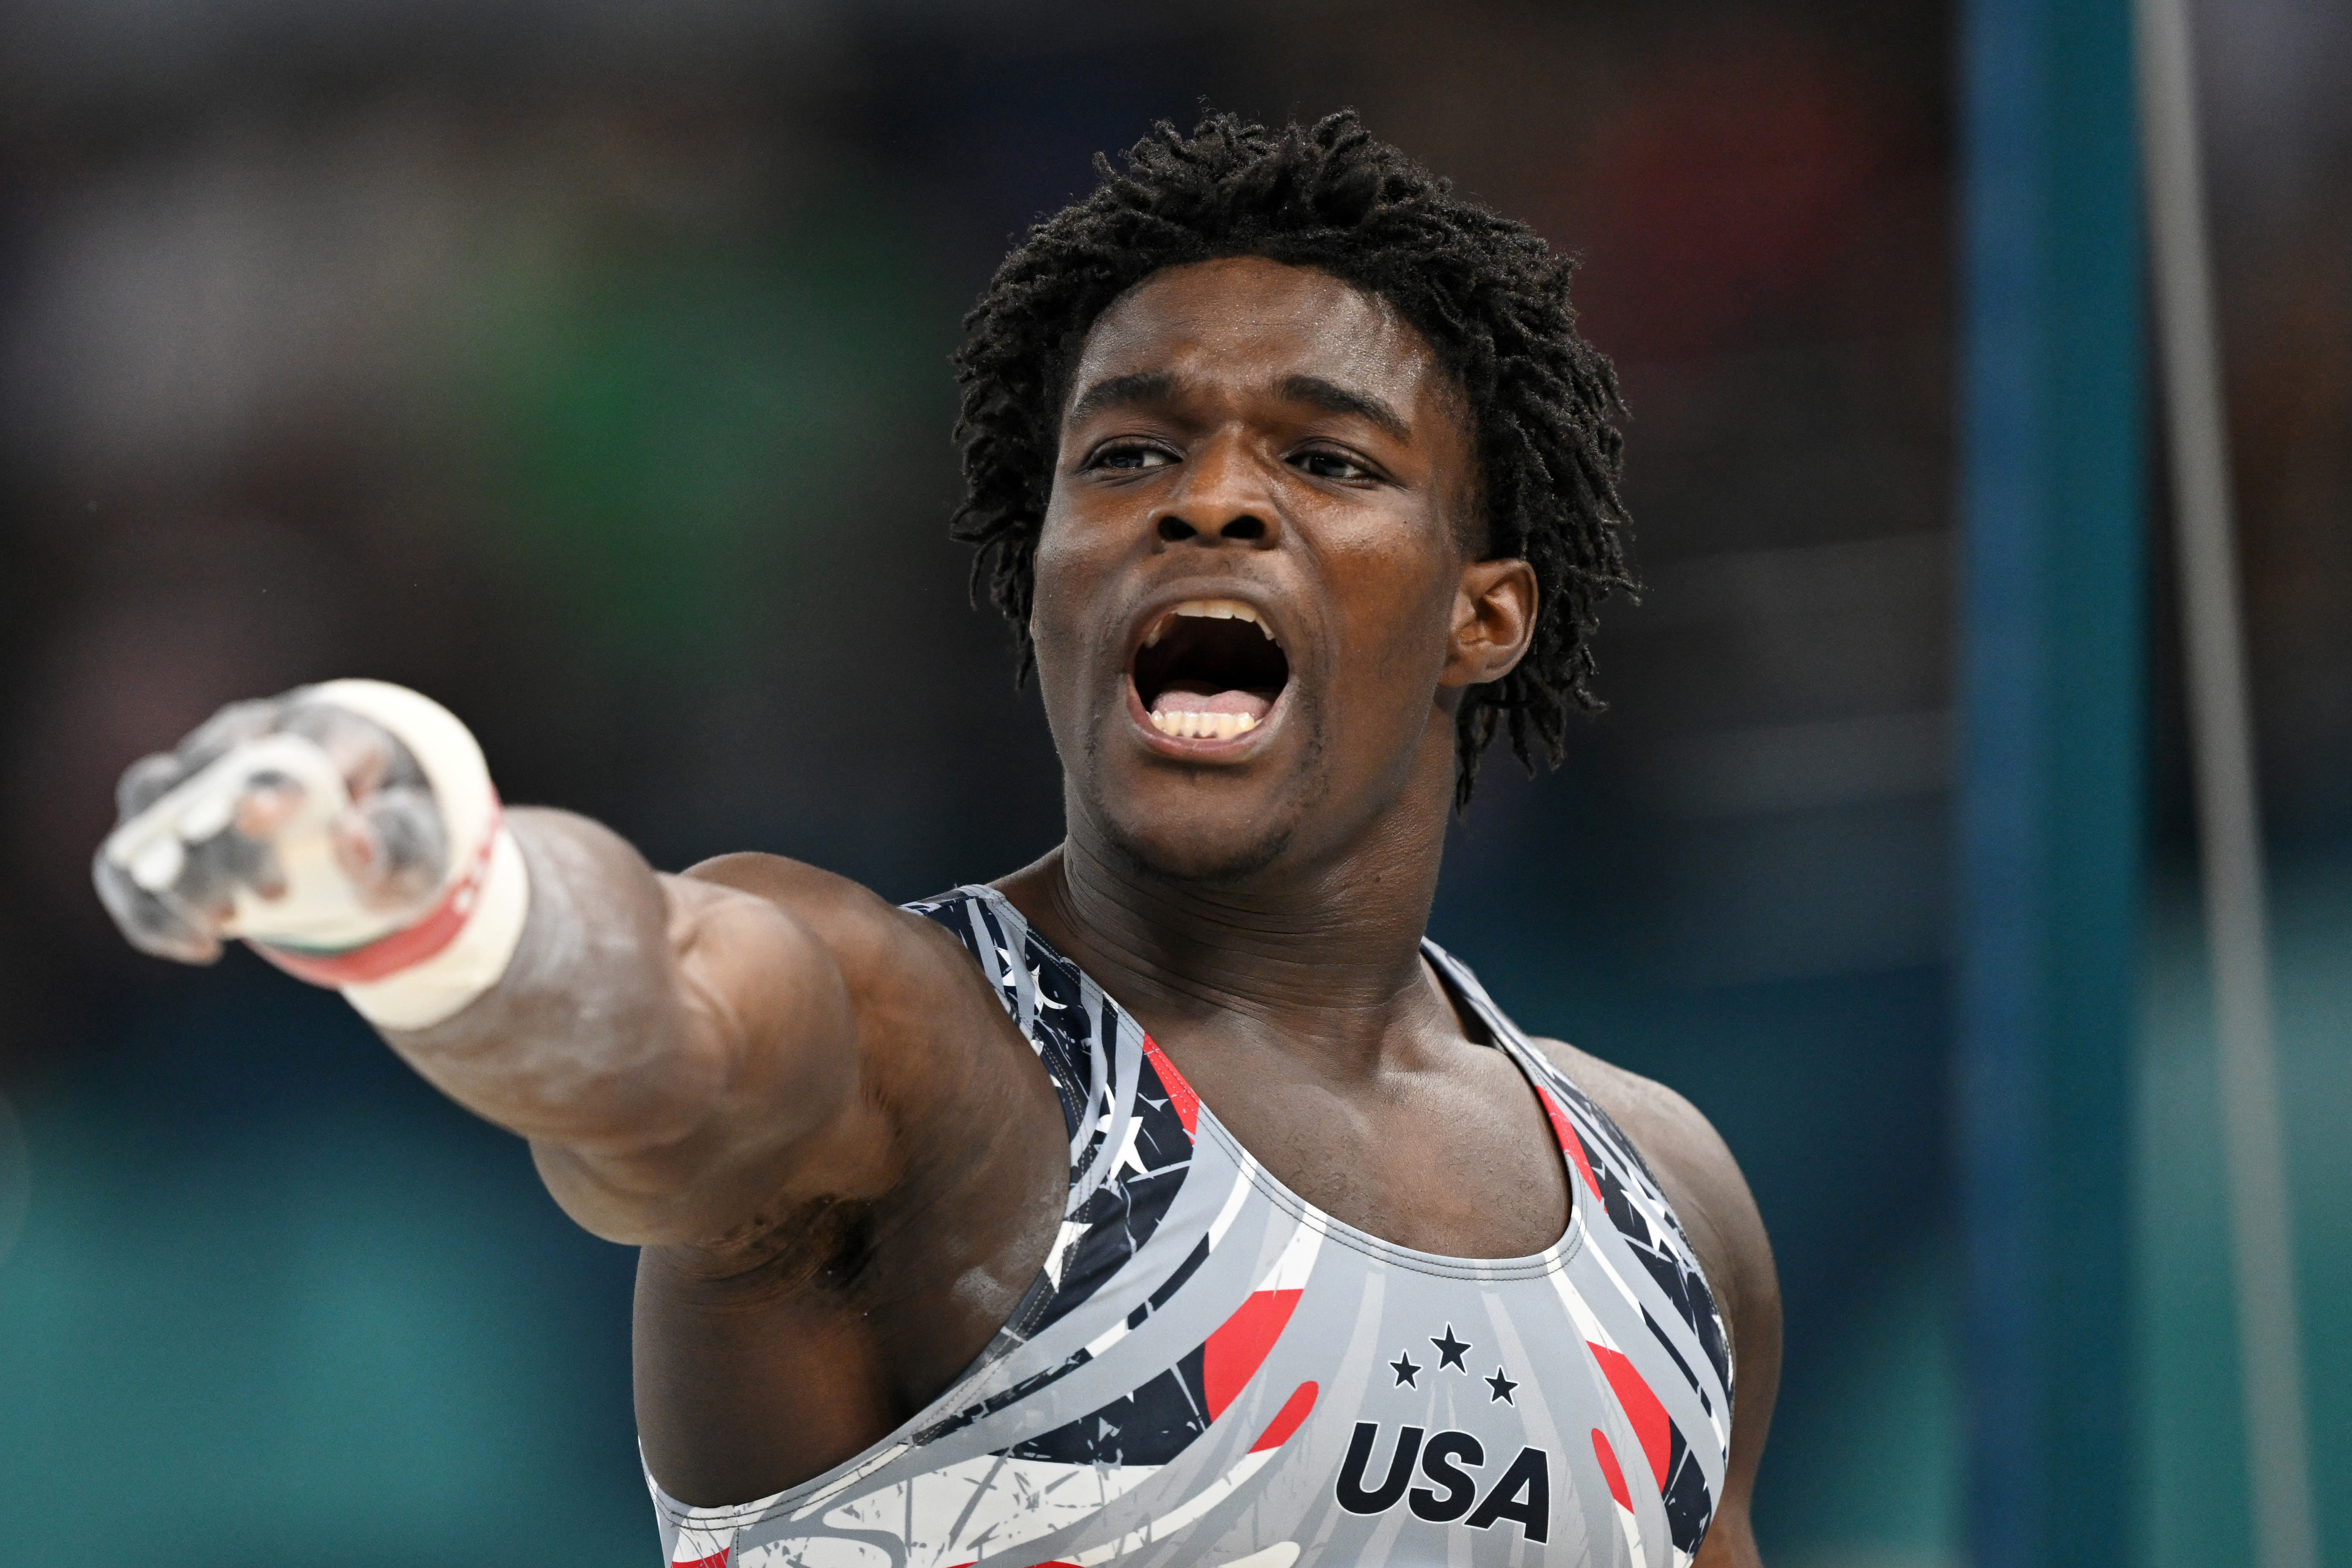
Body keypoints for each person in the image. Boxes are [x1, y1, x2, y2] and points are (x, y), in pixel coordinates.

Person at [92, 112, 1778, 1568]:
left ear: (1484, 615)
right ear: (1041, 571)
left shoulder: (1666, 1206)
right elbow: (658, 1013)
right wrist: (433, 887)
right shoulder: (914, 1054)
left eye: (1326, 455)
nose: (1205, 500)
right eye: (1127, 453)